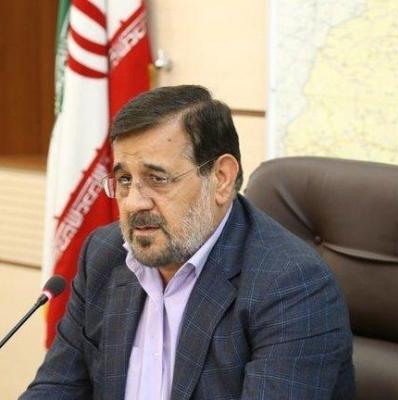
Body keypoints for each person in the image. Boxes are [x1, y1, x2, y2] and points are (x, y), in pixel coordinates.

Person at [20, 85, 354, 399]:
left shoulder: (291, 286)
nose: (134, 202)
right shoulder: (104, 254)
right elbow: (56, 388)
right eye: (124, 179)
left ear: (221, 179)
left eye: (157, 179)